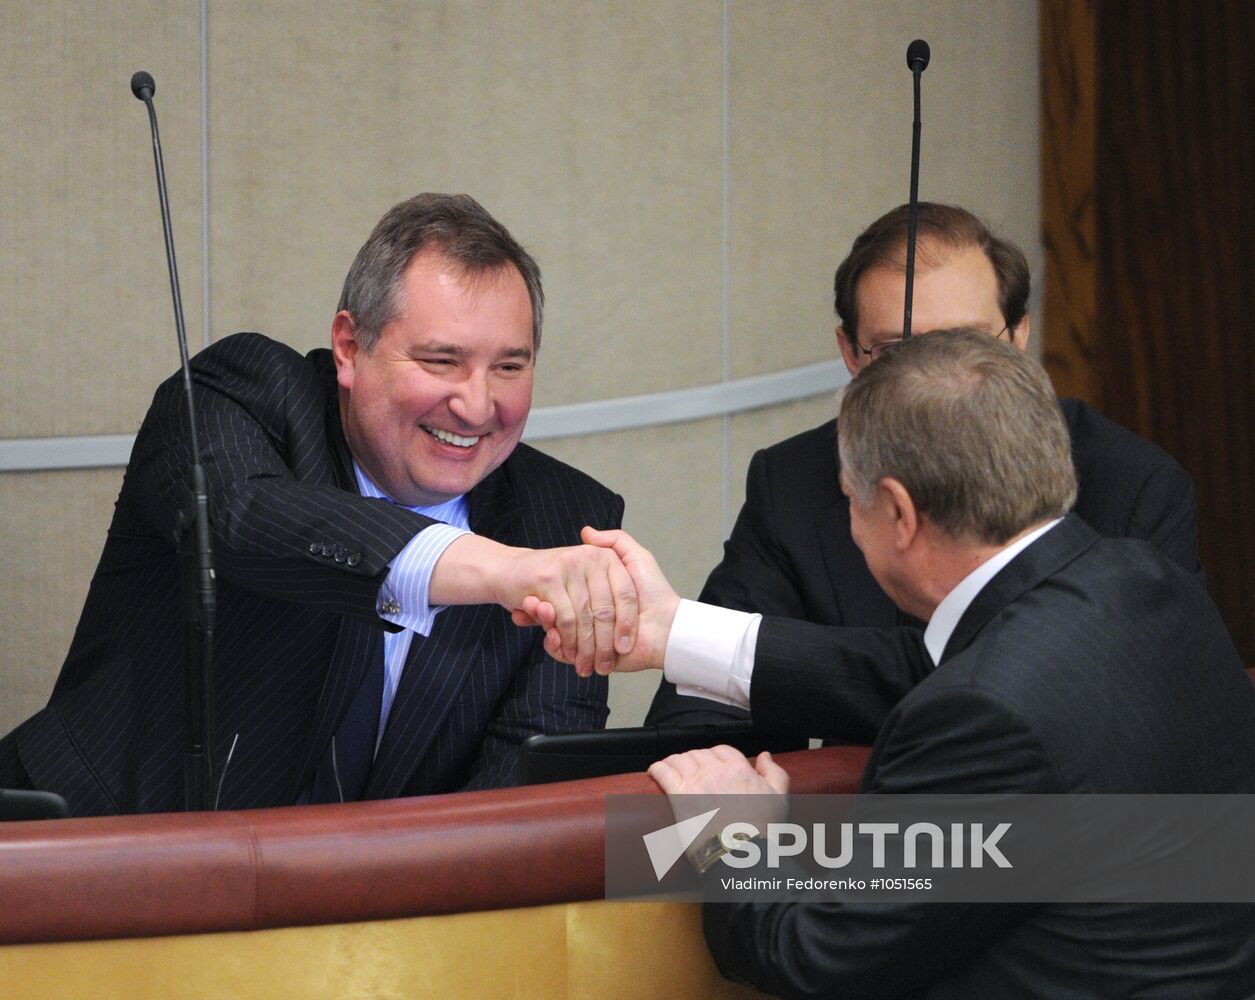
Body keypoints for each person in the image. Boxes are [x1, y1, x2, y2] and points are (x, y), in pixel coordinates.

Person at [560, 330, 1255, 997]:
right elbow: (931, 673)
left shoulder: (984, 717)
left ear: (896, 511)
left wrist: (728, 835)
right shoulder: (1146, 584)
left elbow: (815, 959)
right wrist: (672, 628)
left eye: (848, 498)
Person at [0, 193, 638, 816]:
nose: (476, 406)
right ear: (349, 347)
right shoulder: (242, 394)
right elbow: (240, 519)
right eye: (441, 361)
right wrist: (499, 570)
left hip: (359, 905)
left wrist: (712, 833)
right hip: (83, 854)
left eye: (509, 368)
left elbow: (523, 801)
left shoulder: (564, 524)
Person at [647, 203, 1202, 735]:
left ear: (1021, 335)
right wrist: (714, 818)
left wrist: (758, 833)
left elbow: (1025, 695)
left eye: (966, 344)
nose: (934, 384)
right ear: (850, 354)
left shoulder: (1134, 484)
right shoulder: (792, 482)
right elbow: (695, 721)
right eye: (896, 351)